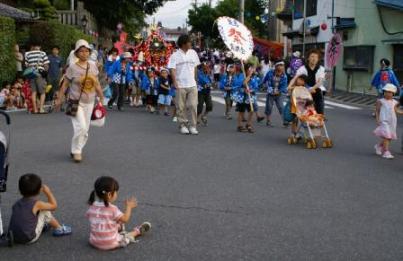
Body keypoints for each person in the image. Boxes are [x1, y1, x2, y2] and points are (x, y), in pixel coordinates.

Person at [55, 39, 104, 163]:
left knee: (85, 130)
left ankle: (76, 149)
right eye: (81, 51)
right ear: (76, 53)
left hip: (90, 101)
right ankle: (77, 151)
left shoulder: (93, 66)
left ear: (89, 53)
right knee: (81, 127)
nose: (84, 53)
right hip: (75, 101)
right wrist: (59, 98)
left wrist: (101, 97)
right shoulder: (72, 67)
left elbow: (97, 83)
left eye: (86, 51)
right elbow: (65, 84)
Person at [86, 176, 151, 250]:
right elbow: (125, 219)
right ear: (110, 194)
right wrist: (129, 207)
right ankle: (138, 231)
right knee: (126, 237)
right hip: (111, 243)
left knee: (110, 220)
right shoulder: (113, 209)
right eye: (116, 192)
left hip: (94, 241)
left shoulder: (92, 207)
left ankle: (117, 228)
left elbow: (94, 218)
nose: (117, 194)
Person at [9, 173, 72, 244]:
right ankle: (59, 228)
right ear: (39, 190)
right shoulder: (37, 204)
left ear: (20, 190)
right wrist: (48, 192)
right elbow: (54, 206)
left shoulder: (17, 203)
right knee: (45, 212)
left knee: (30, 213)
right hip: (28, 238)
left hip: (13, 236)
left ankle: (40, 225)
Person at [168, 34, 201, 135]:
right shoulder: (175, 55)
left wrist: (195, 80)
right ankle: (182, 125)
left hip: (192, 84)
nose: (191, 43)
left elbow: (195, 68)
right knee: (181, 106)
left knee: (193, 105)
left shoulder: (193, 53)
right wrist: (175, 83)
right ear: (183, 44)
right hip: (180, 84)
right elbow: (172, 69)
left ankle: (193, 126)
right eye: (189, 42)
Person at [292, 49, 326, 115]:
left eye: (316, 57)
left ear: (318, 59)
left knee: (320, 112)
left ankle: (319, 121)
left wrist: (312, 88)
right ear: (308, 58)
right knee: (303, 114)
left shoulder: (321, 69)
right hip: (304, 93)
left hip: (317, 92)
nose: (314, 59)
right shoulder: (302, 69)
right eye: (312, 56)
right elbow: (296, 79)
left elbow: (320, 82)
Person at [373, 84, 403, 159]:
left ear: (393, 93)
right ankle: (386, 152)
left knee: (389, 137)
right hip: (384, 121)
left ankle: (378, 146)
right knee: (387, 136)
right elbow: (377, 111)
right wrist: (377, 119)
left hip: (392, 122)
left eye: (390, 92)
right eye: (386, 92)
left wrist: (401, 112)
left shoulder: (395, 102)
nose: (387, 93)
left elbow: (397, 110)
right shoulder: (381, 101)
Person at [233, 64, 259, 133]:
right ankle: (239, 126)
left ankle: (248, 124)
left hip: (250, 96)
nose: (251, 70)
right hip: (242, 97)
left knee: (251, 110)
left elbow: (256, 86)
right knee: (241, 111)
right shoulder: (241, 76)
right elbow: (242, 84)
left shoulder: (254, 77)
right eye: (250, 69)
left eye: (252, 69)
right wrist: (249, 76)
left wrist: (251, 90)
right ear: (246, 70)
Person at [24, 43, 49, 114]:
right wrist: (45, 73)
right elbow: (46, 65)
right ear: (39, 46)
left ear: (32, 46)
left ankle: (35, 109)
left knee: (33, 92)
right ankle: (41, 109)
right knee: (42, 92)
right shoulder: (42, 53)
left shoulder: (27, 54)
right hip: (39, 74)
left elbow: (26, 65)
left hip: (31, 74)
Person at [262, 60, 288, 127]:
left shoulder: (284, 76)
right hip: (270, 93)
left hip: (278, 94)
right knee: (269, 107)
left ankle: (284, 121)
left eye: (283, 66)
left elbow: (284, 86)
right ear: (276, 66)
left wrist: (279, 91)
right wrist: (265, 85)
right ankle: (268, 121)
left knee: (281, 107)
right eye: (280, 65)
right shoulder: (270, 73)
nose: (282, 67)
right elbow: (264, 81)